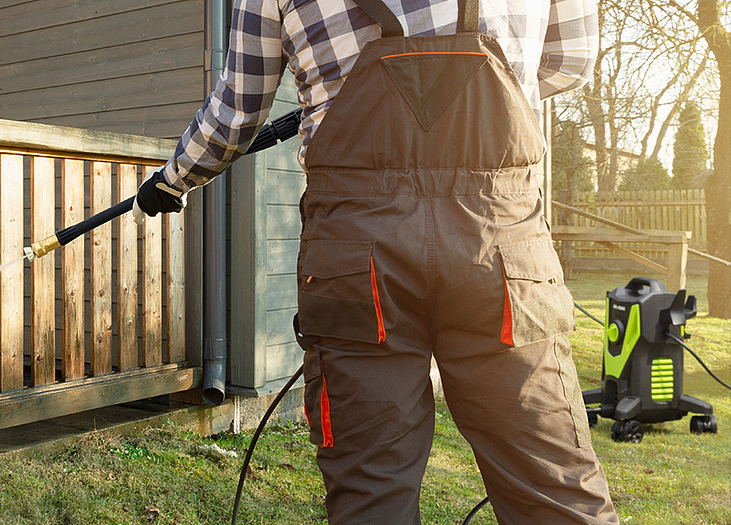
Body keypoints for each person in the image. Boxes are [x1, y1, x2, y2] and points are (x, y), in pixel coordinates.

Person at [132, 0, 618, 523]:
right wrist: (454, 110)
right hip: (500, 242)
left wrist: (173, 178)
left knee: (371, 491)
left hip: (358, 256)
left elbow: (237, 113)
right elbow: (569, 62)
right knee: (552, 484)